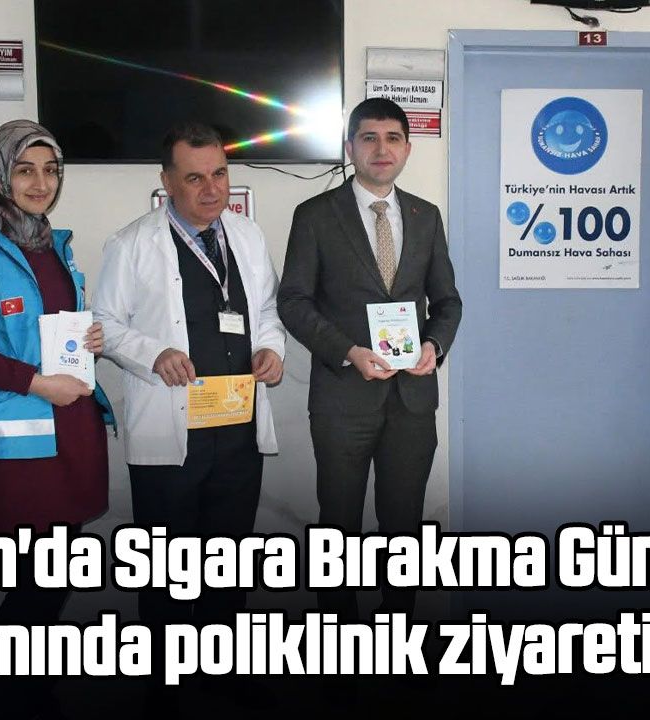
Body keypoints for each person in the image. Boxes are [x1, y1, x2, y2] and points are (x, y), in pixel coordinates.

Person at [93, 121, 285, 708]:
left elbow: (267, 310)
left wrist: (271, 349)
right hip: (170, 437)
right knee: (167, 574)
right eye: (195, 178)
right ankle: (166, 689)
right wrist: (154, 353)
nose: (211, 188)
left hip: (236, 429)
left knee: (228, 566)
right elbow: (104, 326)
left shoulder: (247, 235)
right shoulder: (132, 243)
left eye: (219, 174)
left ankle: (223, 681)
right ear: (167, 182)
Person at [0, 119, 112, 720]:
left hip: (67, 430)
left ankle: (32, 694)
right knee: (34, 587)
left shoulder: (52, 245)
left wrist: (87, 338)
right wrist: (36, 382)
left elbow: (46, 332)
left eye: (51, 170)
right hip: (16, 446)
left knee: (53, 581)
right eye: (25, 170)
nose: (41, 183)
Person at [278, 97, 462, 621]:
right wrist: (348, 351)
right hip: (342, 400)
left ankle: (397, 632)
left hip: (412, 400)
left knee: (405, 528)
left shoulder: (426, 216)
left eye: (393, 138)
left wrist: (434, 346)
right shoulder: (315, 215)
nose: (382, 149)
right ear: (350, 147)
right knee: (338, 528)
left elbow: (447, 302)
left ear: (407, 148)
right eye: (369, 138)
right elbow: (293, 301)